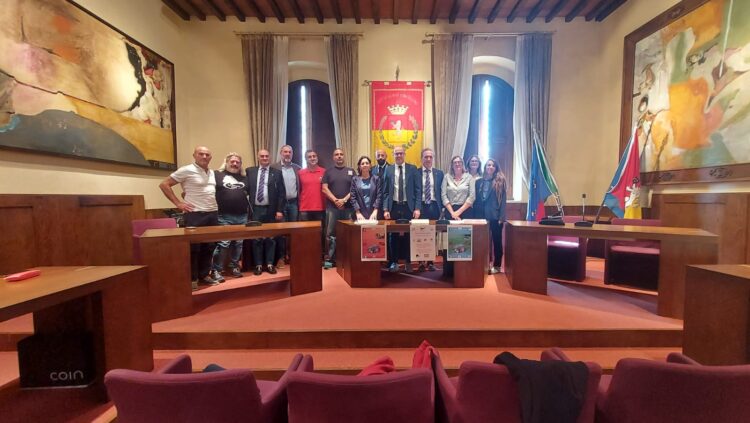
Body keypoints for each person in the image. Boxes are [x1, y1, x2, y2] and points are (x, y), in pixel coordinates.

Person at [159, 146, 219, 289]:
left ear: (210, 157)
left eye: (207, 154)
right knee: (194, 248)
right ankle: (192, 278)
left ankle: (204, 275)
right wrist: (178, 203)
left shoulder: (211, 172)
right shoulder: (186, 170)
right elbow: (164, 184)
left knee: (209, 246)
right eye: (201, 154)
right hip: (195, 214)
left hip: (212, 213)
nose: (204, 156)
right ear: (194, 155)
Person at [210, 153, 249, 282]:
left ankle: (234, 266)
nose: (235, 164)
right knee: (223, 243)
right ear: (226, 163)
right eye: (232, 161)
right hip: (224, 215)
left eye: (238, 162)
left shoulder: (244, 178)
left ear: (240, 164)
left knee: (238, 243)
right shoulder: (217, 175)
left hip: (242, 215)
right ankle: (216, 270)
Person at [245, 149, 285, 275]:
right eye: (262, 156)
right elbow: (245, 189)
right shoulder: (250, 171)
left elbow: (281, 193)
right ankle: (258, 265)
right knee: (257, 238)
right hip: (256, 209)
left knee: (270, 238)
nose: (264, 158)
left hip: (271, 210)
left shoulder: (277, 173)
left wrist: (279, 210)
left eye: (267, 156)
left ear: (270, 157)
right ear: (258, 157)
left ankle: (269, 263)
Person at [382, 145, 421, 273]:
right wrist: (386, 209)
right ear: (393, 155)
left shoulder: (412, 169)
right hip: (394, 207)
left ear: (404, 154)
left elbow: (418, 190)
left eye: (401, 153)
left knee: (409, 235)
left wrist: (417, 208)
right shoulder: (388, 169)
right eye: (396, 154)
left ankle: (408, 262)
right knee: (392, 235)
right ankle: (394, 262)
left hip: (408, 207)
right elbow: (385, 192)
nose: (398, 156)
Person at [321, 148, 354, 268]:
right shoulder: (328, 172)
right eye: (336, 154)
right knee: (330, 234)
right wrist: (336, 201)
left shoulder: (351, 171)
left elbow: (354, 188)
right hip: (332, 208)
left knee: (348, 233)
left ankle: (347, 258)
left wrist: (344, 200)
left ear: (344, 156)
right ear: (333, 157)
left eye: (341, 154)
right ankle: (330, 259)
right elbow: (324, 189)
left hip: (348, 208)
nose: (339, 156)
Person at [473, 158, 507, 275]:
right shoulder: (478, 182)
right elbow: (476, 200)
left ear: (496, 168)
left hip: (495, 216)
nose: (490, 167)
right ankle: (483, 264)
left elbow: (503, 200)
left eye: (492, 165)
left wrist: (502, 217)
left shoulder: (500, 181)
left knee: (496, 242)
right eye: (488, 165)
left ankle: (497, 266)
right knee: (481, 242)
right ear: (485, 167)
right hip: (480, 216)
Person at [271, 145, 301, 268]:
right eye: (285, 152)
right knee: (281, 231)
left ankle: (292, 255)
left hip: (294, 203)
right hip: (280, 205)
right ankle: (281, 257)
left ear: (292, 154)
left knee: (293, 231)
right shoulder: (274, 167)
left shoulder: (297, 168)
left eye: (290, 152)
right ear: (281, 153)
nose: (287, 154)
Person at [418, 148, 444, 272]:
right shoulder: (416, 172)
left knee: (433, 234)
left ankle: (430, 261)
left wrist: (443, 209)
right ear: (421, 158)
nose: (428, 159)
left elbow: (441, 192)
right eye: (426, 157)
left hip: (434, 207)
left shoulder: (439, 173)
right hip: (421, 207)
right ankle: (421, 261)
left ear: (433, 159)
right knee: (420, 233)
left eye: (430, 157)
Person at [442, 155, 476, 221]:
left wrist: (458, 212)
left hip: (466, 211)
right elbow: (443, 196)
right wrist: (453, 213)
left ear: (462, 164)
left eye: (459, 162)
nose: (457, 164)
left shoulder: (469, 177)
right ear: (452, 165)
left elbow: (472, 197)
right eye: (455, 162)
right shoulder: (446, 177)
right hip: (450, 211)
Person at [350, 156, 382, 221]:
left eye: (367, 163)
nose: (365, 165)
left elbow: (379, 196)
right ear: (359, 166)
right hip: (359, 214)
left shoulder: (376, 179)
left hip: (374, 213)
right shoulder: (355, 179)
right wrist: (357, 212)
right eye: (362, 163)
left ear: (370, 166)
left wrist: (375, 210)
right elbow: (353, 197)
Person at [372, 148, 389, 219]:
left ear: (386, 156)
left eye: (382, 155)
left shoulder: (391, 168)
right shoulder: (371, 170)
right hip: (375, 203)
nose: (380, 157)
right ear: (375, 157)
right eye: (378, 156)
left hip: (388, 203)